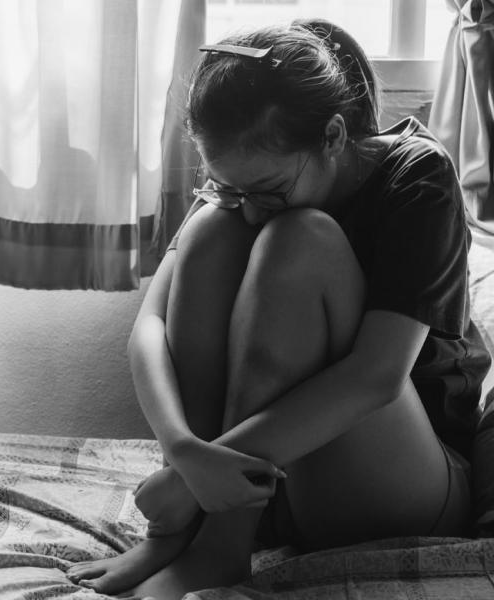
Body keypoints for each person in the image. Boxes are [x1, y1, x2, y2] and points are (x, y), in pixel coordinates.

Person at [65, 17, 492, 600]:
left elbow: (376, 378)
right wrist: (185, 455)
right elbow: (151, 325)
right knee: (212, 232)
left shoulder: (418, 176)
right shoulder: (242, 195)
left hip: (409, 483)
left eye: (267, 190)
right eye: (230, 186)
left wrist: (192, 484)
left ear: (335, 136)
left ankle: (220, 548)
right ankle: (191, 535)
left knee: (301, 239)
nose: (252, 210)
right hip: (274, 489)